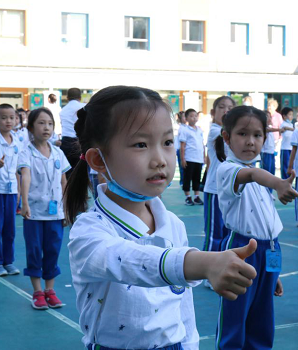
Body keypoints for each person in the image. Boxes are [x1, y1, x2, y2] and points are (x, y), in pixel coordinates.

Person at [66, 85, 259, 350]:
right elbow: (125, 260)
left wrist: (190, 345)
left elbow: (183, 309)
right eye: (140, 144)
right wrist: (199, 263)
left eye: (167, 142)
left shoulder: (173, 225)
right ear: (98, 160)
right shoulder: (89, 231)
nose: (160, 159)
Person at [215, 105, 297, 349]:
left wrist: (273, 273)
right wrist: (278, 183)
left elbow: (265, 223)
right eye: (242, 134)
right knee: (235, 313)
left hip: (269, 249)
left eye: (257, 135)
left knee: (262, 316)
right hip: (242, 248)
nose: (250, 141)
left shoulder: (259, 172)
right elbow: (251, 175)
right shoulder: (228, 170)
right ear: (227, 137)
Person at [18, 108, 71, 310]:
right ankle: (37, 291)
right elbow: (25, 176)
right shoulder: (26, 153)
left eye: (50, 123)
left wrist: (66, 207)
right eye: (41, 123)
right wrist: (24, 203)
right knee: (34, 250)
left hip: (55, 213)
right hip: (34, 213)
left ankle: (50, 290)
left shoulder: (58, 153)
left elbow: (63, 181)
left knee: (52, 251)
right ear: (31, 128)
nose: (46, 127)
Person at [0, 104, 22, 277]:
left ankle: (9, 261)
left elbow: (17, 169)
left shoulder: (17, 141)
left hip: (11, 189)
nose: (8, 121)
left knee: (10, 228)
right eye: (4, 118)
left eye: (12, 117)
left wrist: (19, 190)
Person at [203, 97, 235, 263]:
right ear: (213, 112)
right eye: (222, 107)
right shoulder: (215, 131)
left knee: (229, 233)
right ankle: (207, 268)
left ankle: (223, 268)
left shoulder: (234, 132)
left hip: (231, 190)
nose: (226, 110)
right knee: (214, 235)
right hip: (215, 190)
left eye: (230, 108)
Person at [179, 108, 205, 206]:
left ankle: (196, 197)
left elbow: (202, 144)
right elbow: (182, 145)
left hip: (198, 158)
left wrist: (204, 156)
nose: (194, 118)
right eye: (191, 116)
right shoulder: (185, 130)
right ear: (186, 118)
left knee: (197, 178)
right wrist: (183, 159)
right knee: (187, 178)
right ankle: (188, 197)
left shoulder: (200, 130)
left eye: (195, 116)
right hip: (189, 158)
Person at [59, 88, 86, 177]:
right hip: (80, 142)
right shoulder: (84, 107)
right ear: (80, 97)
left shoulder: (62, 111)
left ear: (67, 98)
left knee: (67, 172)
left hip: (65, 142)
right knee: (81, 173)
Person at [279, 107, 294, 180]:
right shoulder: (283, 124)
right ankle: (284, 180)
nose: (291, 116)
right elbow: (282, 130)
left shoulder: (291, 125)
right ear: (284, 116)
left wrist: (289, 128)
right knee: (285, 166)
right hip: (285, 148)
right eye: (290, 114)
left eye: (292, 115)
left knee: (291, 166)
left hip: (291, 148)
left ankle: (290, 181)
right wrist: (289, 128)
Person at [261, 112, 277, 176]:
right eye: (267, 116)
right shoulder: (263, 127)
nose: (269, 118)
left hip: (271, 152)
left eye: (270, 117)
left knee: (271, 172)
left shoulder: (270, 127)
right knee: (266, 172)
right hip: (265, 153)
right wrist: (280, 129)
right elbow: (269, 130)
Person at [175, 111, 187, 186]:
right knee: (182, 165)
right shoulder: (180, 127)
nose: (185, 118)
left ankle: (185, 180)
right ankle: (182, 181)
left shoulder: (187, 127)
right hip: (180, 148)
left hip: (186, 149)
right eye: (183, 117)